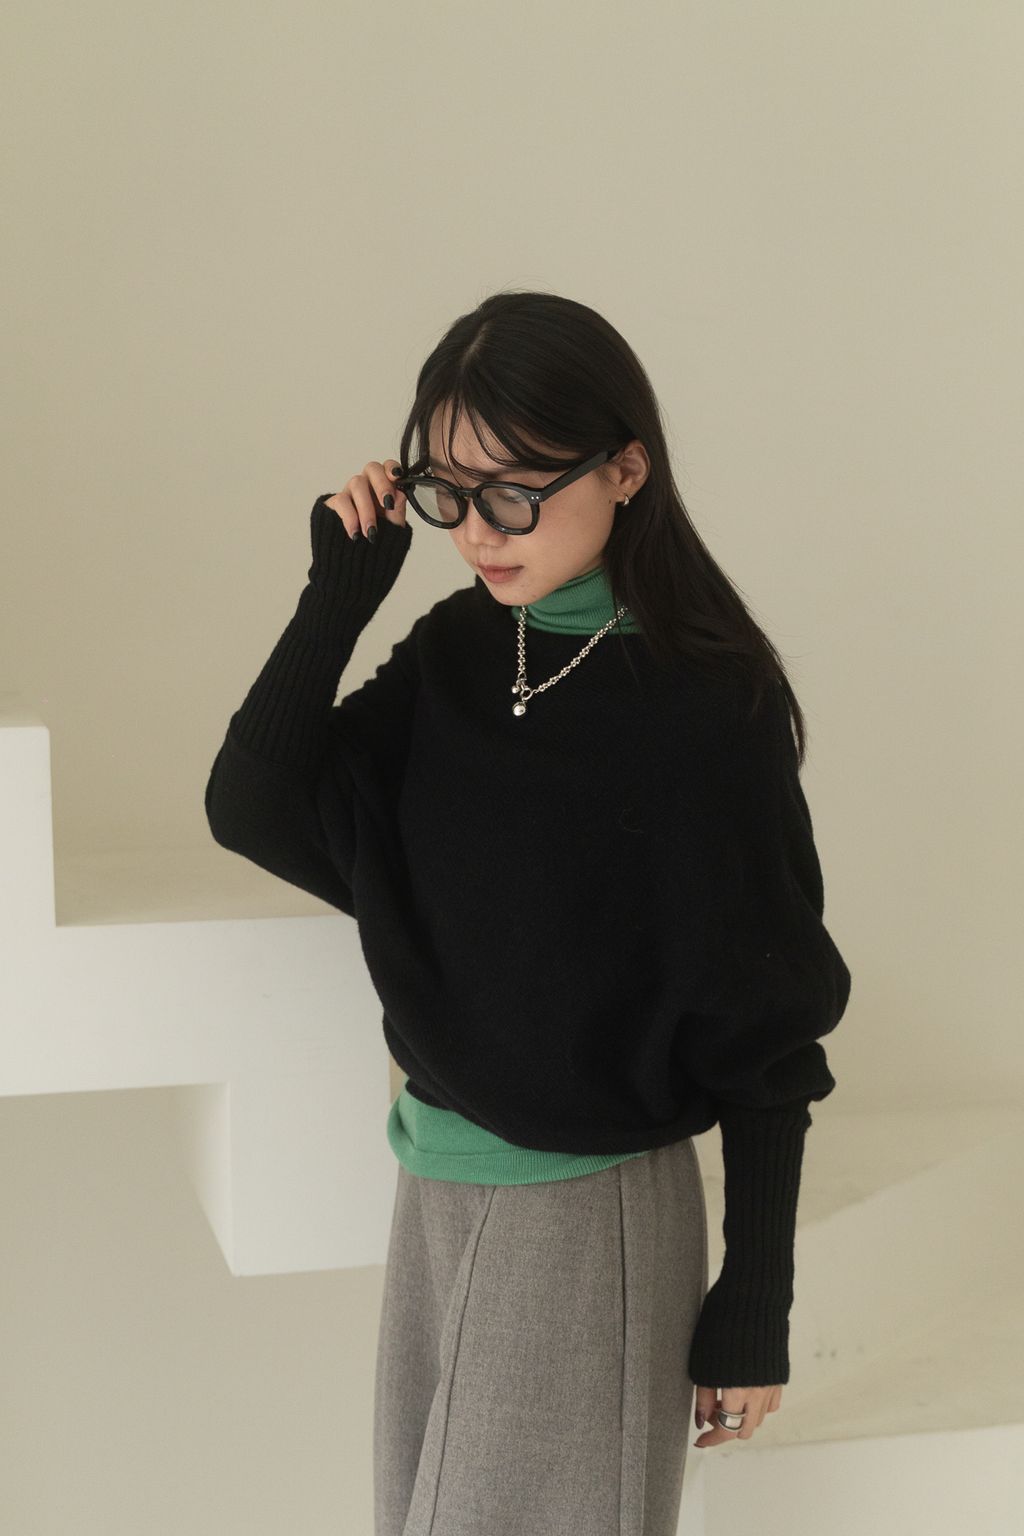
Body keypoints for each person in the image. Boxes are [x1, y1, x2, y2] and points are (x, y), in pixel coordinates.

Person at [205, 289, 852, 1535]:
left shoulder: (705, 706)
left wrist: (753, 1297)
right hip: (435, 1183)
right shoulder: (459, 650)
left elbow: (766, 1027)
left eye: (511, 493)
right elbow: (256, 808)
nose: (476, 533)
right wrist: (340, 593)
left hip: (587, 1210)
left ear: (625, 469)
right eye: (446, 493)